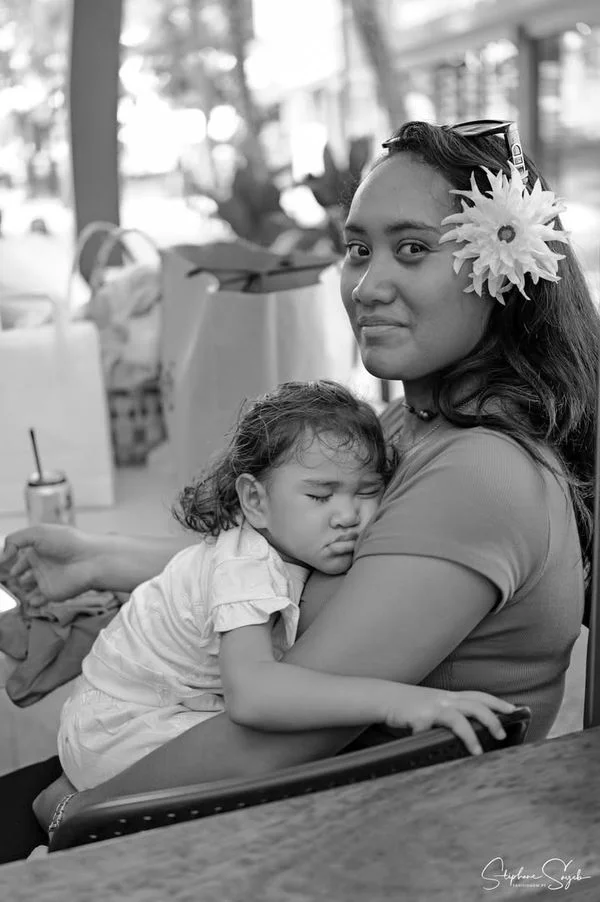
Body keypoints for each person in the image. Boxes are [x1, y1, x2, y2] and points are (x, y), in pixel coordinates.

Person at [1, 119, 597, 859]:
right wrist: (102, 562)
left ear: (500, 272)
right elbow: (272, 561)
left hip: (381, 838)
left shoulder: (477, 474)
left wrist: (71, 820)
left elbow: (273, 740)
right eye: (357, 250)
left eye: (412, 250)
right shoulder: (413, 426)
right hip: (327, 805)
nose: (367, 286)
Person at [54, 379, 511, 793]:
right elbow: (253, 695)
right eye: (320, 495)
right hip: (118, 730)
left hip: (136, 713)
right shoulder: (246, 564)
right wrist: (399, 701)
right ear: (255, 500)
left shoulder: (290, 544)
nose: (347, 515)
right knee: (281, 773)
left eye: (367, 492)